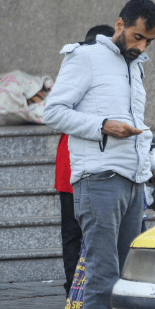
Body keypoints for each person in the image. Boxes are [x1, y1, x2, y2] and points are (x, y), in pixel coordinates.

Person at [43, 0, 155, 309]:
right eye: (137, 37)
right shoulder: (85, 58)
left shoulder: (135, 67)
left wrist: (152, 168)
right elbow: (53, 112)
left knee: (122, 278)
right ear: (119, 25)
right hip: (97, 180)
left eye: (149, 41)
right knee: (102, 275)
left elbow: (136, 126)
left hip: (132, 181)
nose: (141, 47)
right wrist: (102, 125)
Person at [56, 24, 114, 294]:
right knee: (76, 233)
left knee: (74, 234)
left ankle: (77, 293)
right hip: (78, 160)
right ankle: (76, 293)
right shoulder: (86, 67)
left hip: (79, 160)